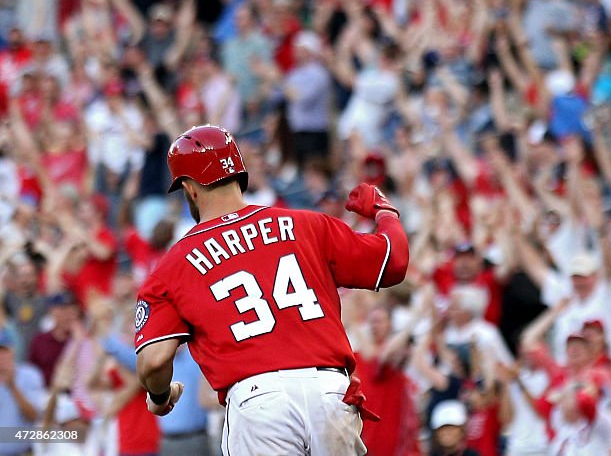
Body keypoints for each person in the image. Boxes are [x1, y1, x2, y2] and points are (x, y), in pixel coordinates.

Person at [133, 124, 410, 455]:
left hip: (259, 403)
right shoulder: (308, 223)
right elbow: (392, 262)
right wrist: (385, 212)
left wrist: (161, 396)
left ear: (190, 189)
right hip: (331, 393)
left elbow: (153, 362)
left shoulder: (173, 264)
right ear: (240, 175)